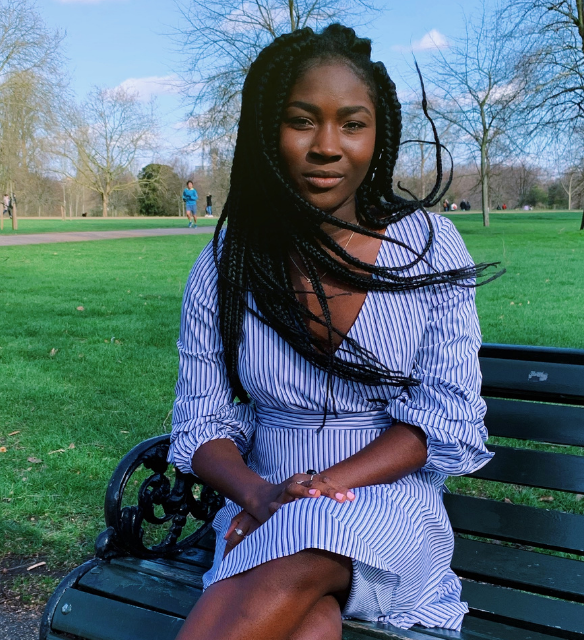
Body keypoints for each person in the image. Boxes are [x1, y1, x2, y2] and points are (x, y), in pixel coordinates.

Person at [169, 24, 497, 640]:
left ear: (379, 134)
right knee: (310, 625)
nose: (327, 146)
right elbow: (199, 421)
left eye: (352, 124)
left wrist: (322, 488)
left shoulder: (427, 247)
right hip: (264, 503)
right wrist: (263, 495)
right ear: (270, 130)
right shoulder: (230, 260)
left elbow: (445, 415)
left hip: (385, 500)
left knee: (306, 543)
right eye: (302, 121)